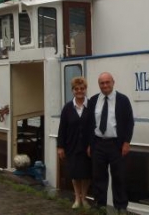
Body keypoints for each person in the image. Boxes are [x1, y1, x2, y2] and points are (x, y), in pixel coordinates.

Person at [88, 72, 134, 215]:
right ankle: (99, 204)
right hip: (98, 144)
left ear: (113, 82)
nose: (105, 85)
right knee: (99, 176)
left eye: (107, 82)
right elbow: (89, 124)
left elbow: (129, 122)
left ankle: (121, 206)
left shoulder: (123, 100)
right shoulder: (93, 100)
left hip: (116, 145)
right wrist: (90, 144)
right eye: (102, 83)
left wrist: (126, 142)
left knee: (118, 176)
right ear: (99, 85)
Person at [57, 77, 92, 210]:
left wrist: (92, 145)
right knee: (75, 173)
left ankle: (84, 198)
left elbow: (94, 127)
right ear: (72, 90)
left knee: (86, 174)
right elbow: (62, 128)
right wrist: (60, 146)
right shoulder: (67, 108)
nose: (79, 91)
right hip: (71, 145)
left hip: (87, 147)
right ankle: (77, 198)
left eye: (82, 88)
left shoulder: (91, 106)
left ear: (85, 89)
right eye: (76, 89)